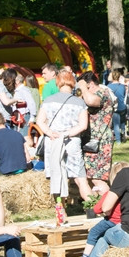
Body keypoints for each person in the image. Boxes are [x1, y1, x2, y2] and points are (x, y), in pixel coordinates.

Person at [36, 69, 92, 201]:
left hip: (53, 140)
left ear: (57, 83)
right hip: (71, 141)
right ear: (73, 83)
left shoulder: (48, 101)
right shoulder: (79, 102)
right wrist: (66, 134)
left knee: (56, 177)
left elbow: (40, 121)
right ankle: (91, 208)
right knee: (80, 178)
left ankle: (61, 212)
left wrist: (50, 133)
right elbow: (83, 126)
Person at [73, 161, 129, 257]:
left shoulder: (111, 194)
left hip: (112, 221)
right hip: (128, 222)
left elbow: (97, 209)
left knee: (94, 233)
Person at [78, 72, 115, 192]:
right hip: (92, 142)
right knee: (91, 177)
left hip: (100, 142)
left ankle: (108, 207)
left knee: (98, 179)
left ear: (91, 84)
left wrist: (83, 87)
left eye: (86, 87)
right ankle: (98, 206)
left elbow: (90, 101)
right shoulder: (92, 93)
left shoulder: (102, 92)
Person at [106, 69, 127, 144]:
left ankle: (118, 140)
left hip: (115, 108)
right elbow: (124, 95)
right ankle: (123, 135)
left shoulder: (108, 87)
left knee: (116, 124)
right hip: (123, 107)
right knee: (123, 123)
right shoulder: (122, 86)